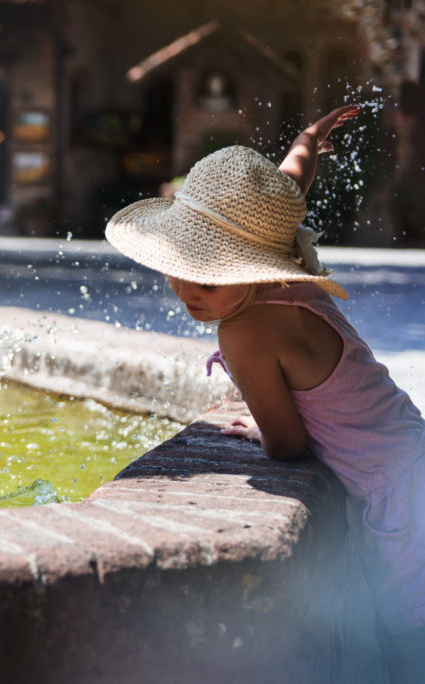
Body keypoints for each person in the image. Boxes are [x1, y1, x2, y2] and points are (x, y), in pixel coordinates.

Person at [105, 104, 425, 682]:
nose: (185, 290)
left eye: (206, 278)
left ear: (246, 266)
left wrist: (260, 425)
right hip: (409, 447)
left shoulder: (245, 330)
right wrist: (309, 139)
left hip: (399, 499)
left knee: (409, 636)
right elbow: (287, 188)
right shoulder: (283, 265)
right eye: (178, 267)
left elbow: (287, 444)